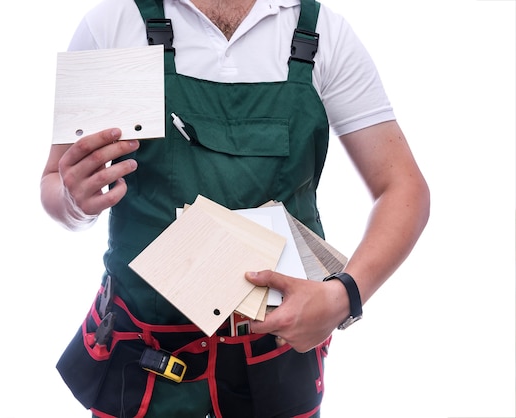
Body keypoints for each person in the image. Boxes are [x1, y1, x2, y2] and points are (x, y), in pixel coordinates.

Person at [40, 0, 430, 416]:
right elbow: (55, 186)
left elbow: (404, 187)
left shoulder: (323, 34)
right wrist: (73, 201)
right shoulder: (113, 25)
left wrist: (343, 296)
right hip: (141, 368)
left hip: (277, 368)